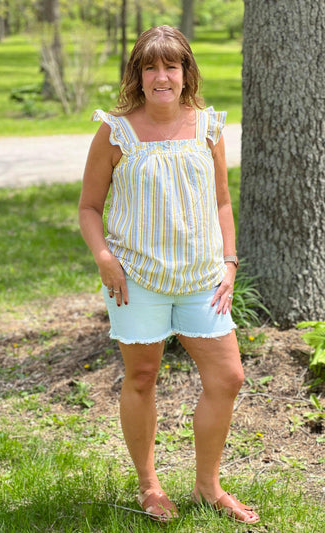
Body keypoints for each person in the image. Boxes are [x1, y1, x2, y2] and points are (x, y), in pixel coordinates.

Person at [78, 25, 260, 525]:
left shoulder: (207, 127)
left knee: (228, 376)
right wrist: (104, 258)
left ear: (185, 73)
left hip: (203, 276)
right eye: (151, 67)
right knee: (141, 376)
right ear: (138, 74)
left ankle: (207, 486)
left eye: (171, 66)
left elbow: (222, 201)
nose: (162, 76)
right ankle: (150, 485)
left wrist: (229, 261)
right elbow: (90, 207)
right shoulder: (115, 131)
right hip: (135, 278)